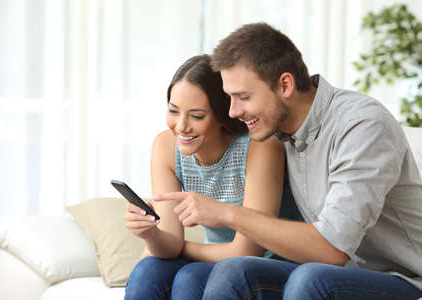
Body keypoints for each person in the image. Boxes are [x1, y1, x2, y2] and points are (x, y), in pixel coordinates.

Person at [155, 23, 422, 299]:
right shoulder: (279, 131)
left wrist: (225, 213)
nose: (233, 112)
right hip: (336, 271)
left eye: (243, 97)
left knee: (310, 278)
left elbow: (332, 249)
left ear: (285, 85)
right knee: (233, 272)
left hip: (403, 278)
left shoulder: (362, 126)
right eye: (230, 98)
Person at [124, 54, 297, 300]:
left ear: (222, 114)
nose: (181, 126)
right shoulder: (165, 147)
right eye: (173, 111)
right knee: (147, 271)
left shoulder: (260, 147)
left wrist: (180, 247)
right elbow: (168, 243)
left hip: (269, 265)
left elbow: (245, 251)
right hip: (215, 259)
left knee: (190, 277)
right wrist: (152, 235)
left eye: (196, 116)